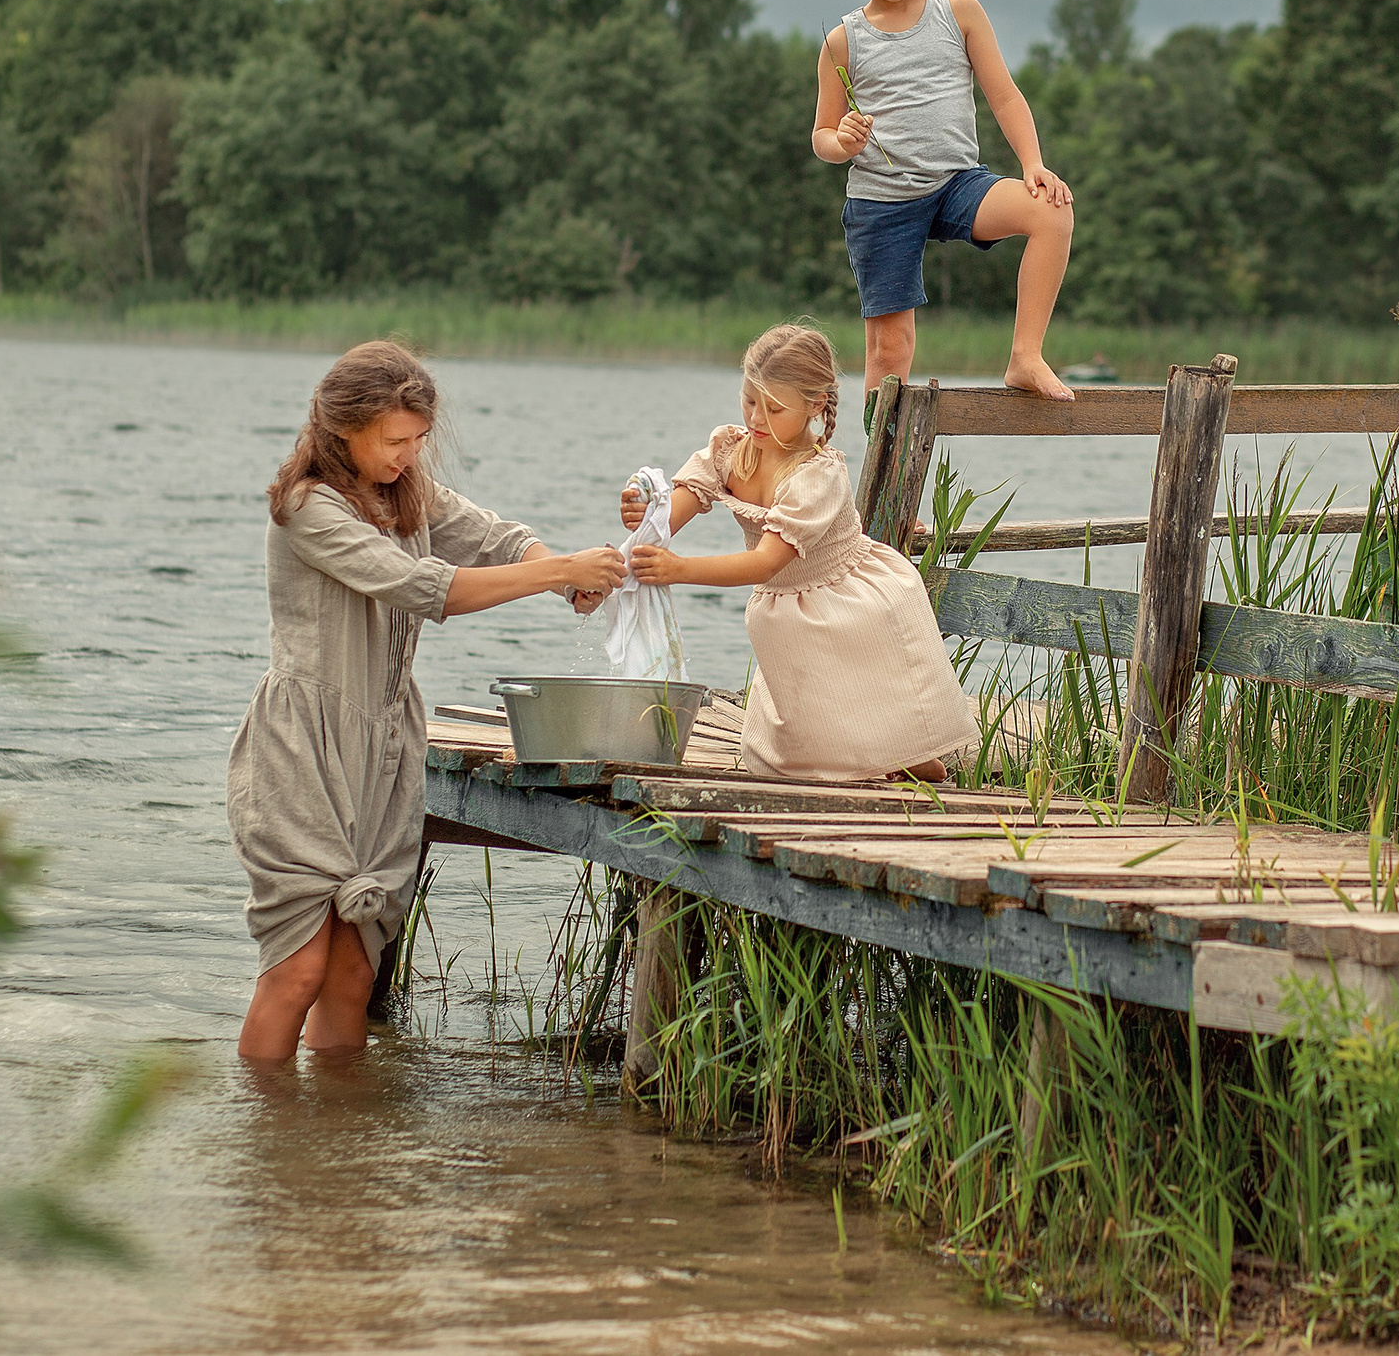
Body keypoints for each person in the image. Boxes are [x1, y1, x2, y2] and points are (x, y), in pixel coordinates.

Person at [229, 340, 623, 1060]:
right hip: (303, 751)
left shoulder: (406, 494)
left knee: (353, 970)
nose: (407, 455)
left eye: (417, 440)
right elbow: (423, 587)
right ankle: (268, 1149)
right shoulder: (306, 508)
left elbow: (493, 538)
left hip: (385, 753)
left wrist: (562, 575)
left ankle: (347, 1151)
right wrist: (560, 571)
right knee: (298, 968)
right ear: (343, 428)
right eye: (393, 440)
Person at [622, 323, 975, 782]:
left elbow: (767, 561)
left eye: (773, 408)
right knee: (797, 752)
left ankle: (916, 759)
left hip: (849, 596)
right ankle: (867, 757)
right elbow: (668, 517)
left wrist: (679, 569)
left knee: (882, 715)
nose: (756, 419)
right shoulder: (731, 451)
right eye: (749, 400)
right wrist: (643, 512)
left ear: (815, 405)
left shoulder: (818, 474)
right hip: (782, 605)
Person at [813, 0, 1078, 414]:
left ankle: (1025, 357)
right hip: (881, 201)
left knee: (1051, 212)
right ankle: (878, 481)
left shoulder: (959, 13)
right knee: (891, 350)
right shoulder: (843, 41)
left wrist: (1033, 163)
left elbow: (1004, 96)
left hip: (958, 182)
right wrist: (842, 141)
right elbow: (821, 136)